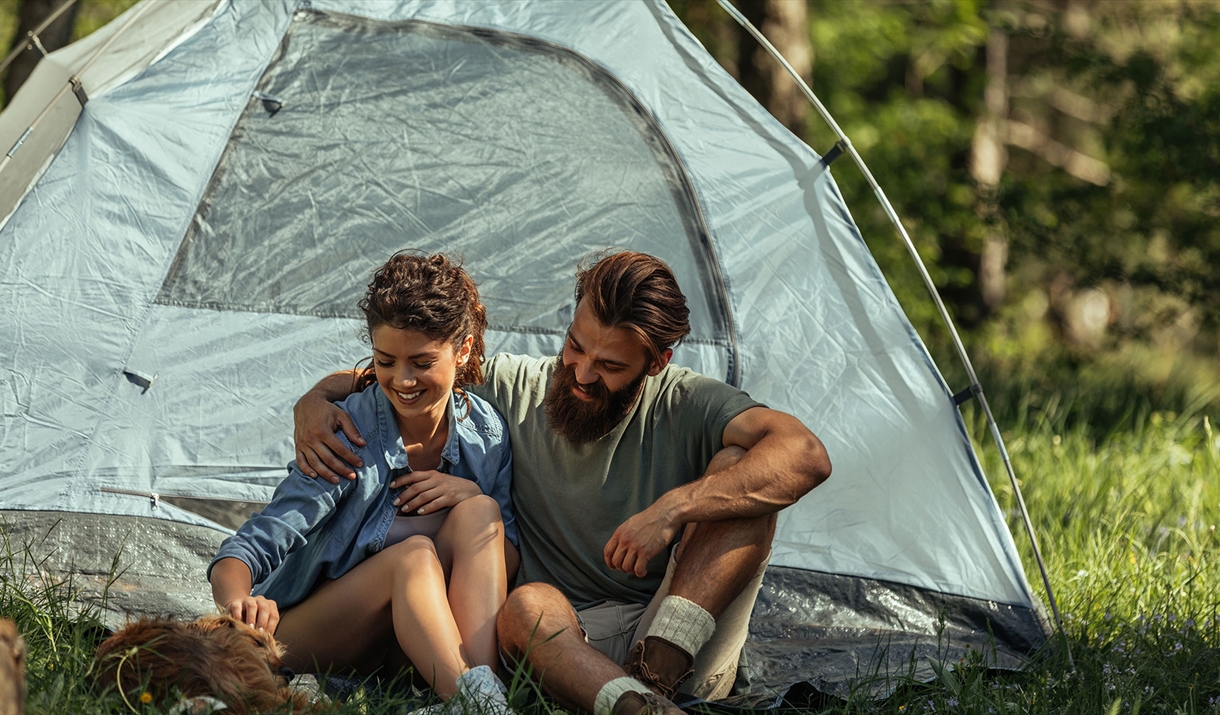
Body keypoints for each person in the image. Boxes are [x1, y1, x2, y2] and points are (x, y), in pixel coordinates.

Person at [294, 251, 831, 715]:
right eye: (575, 346)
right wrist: (316, 398)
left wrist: (673, 509)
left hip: (677, 631)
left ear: (657, 363)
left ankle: (654, 681)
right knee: (527, 605)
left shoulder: (687, 402)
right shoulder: (515, 385)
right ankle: (634, 705)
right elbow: (411, 372)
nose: (582, 373)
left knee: (745, 467)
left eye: (610, 365)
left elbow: (804, 455)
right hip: (556, 640)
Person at [209, 252, 519, 710]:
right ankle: (477, 704)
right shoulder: (346, 434)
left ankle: (479, 694)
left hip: (412, 652)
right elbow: (247, 548)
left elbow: (506, 559)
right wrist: (240, 604)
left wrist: (470, 494)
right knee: (413, 557)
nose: (402, 380)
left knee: (482, 511)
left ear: (464, 350)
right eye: (386, 361)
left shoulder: (486, 434)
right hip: (316, 636)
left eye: (421, 362)